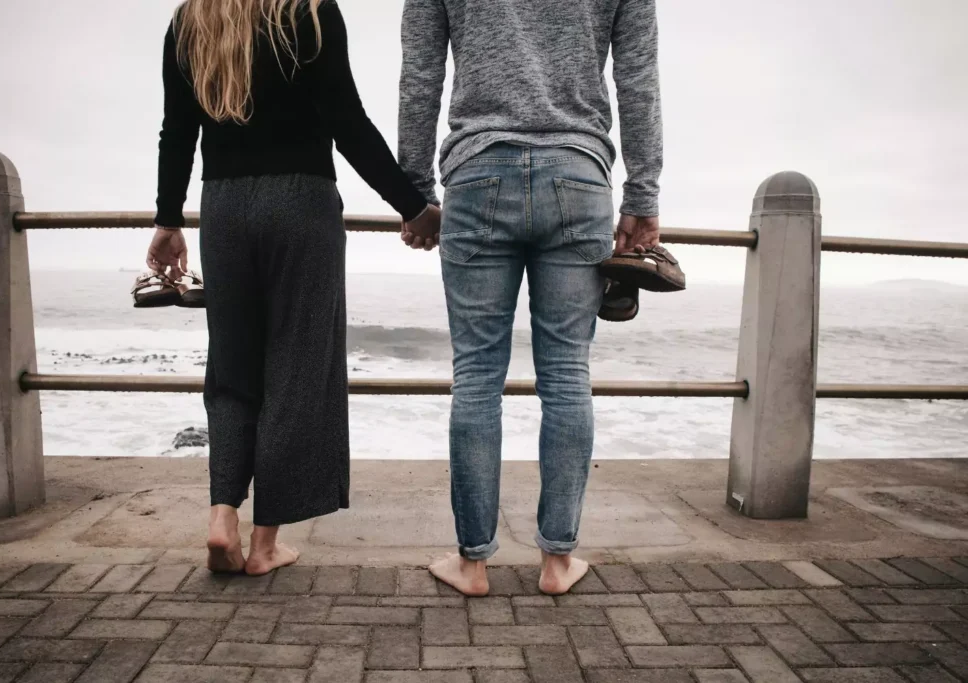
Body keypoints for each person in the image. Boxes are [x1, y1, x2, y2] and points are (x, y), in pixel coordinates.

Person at [146, 0, 441, 576]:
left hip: (224, 208)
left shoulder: (192, 19)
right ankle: (264, 545)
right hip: (302, 204)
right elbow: (346, 118)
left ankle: (221, 516)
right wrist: (412, 206)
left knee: (231, 370)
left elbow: (176, 130)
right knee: (297, 370)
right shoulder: (306, 11)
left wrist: (168, 221)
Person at [398, 0, 663, 595]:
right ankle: (556, 561)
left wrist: (414, 192)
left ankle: (471, 564)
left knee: (476, 377)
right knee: (568, 375)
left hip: (475, 172)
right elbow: (637, 78)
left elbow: (420, 74)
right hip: (579, 173)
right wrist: (642, 196)